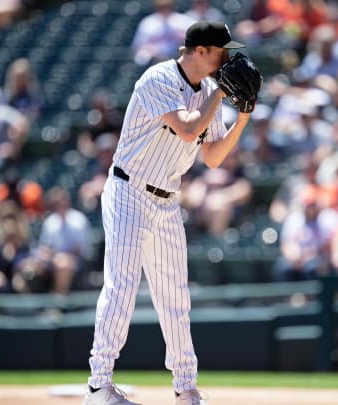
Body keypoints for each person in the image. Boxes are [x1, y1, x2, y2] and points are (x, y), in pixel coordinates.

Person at [83, 21, 254, 405]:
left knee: (175, 296)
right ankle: (98, 385)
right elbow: (189, 131)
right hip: (128, 191)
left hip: (166, 200)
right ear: (201, 51)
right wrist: (222, 94)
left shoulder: (211, 90)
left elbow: (212, 157)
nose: (226, 59)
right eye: (221, 51)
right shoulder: (157, 78)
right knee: (122, 286)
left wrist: (241, 117)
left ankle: (185, 389)